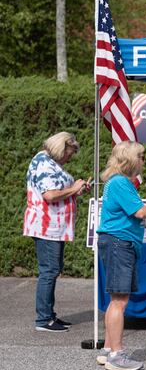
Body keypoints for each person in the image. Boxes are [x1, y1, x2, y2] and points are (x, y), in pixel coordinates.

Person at [95, 141, 146, 370]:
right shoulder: (121, 182)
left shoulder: (116, 183)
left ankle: (108, 350)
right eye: (141, 157)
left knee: (115, 300)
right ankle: (117, 355)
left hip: (117, 241)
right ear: (130, 159)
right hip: (119, 243)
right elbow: (139, 211)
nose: (143, 161)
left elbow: (129, 216)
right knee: (119, 301)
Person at [23, 132, 90, 332]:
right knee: (49, 271)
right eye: (69, 153)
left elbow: (56, 191)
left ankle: (49, 315)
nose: (69, 157)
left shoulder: (48, 162)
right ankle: (43, 319)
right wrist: (74, 187)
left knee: (52, 269)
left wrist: (76, 190)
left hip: (54, 227)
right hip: (47, 227)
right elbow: (50, 195)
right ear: (62, 147)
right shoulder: (43, 163)